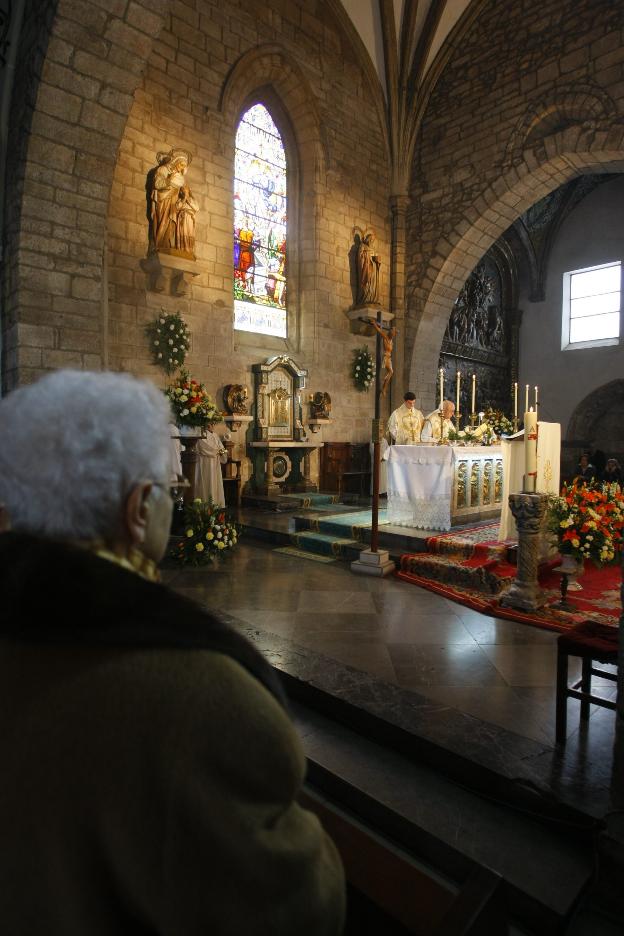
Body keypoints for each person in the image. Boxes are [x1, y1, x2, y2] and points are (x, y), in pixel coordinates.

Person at [0, 370, 345, 935]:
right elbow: (302, 909)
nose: (176, 495)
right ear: (139, 510)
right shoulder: (203, 700)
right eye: (168, 486)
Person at [148, 148, 199, 259]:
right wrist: (169, 181)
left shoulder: (180, 177)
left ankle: (166, 244)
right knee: (162, 221)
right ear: (175, 162)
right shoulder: (162, 170)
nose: (181, 169)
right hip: (163, 201)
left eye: (183, 167)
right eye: (181, 165)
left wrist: (184, 194)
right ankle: (159, 245)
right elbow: (157, 184)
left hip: (173, 204)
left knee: (171, 222)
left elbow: (185, 194)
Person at [195, 422, 228, 506]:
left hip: (215, 465)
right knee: (206, 485)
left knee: (215, 485)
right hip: (205, 464)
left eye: (213, 424)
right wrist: (219, 451)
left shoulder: (215, 435)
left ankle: (215, 506)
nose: (212, 426)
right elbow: (205, 449)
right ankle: (205, 506)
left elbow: (222, 449)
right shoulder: (200, 434)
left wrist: (222, 452)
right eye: (210, 424)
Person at [371, 321, 396, 397]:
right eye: (393, 333)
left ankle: (384, 387)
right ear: (390, 333)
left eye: (394, 334)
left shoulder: (392, 342)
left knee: (391, 372)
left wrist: (394, 329)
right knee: (391, 372)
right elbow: (379, 331)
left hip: (389, 358)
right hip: (385, 357)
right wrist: (374, 324)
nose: (393, 335)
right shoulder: (386, 337)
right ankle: (384, 388)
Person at [356, 231, 381, 305]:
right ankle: (365, 297)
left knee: (372, 282)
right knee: (366, 281)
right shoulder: (362, 246)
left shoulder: (373, 249)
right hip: (366, 267)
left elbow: (375, 258)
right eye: (370, 239)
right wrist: (366, 255)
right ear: (367, 239)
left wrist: (377, 261)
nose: (371, 241)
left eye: (372, 240)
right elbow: (360, 257)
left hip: (372, 267)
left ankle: (371, 297)